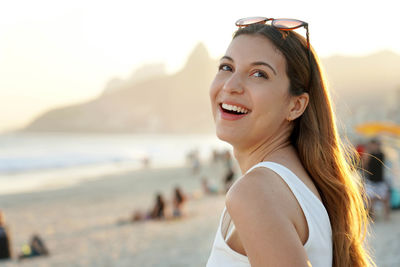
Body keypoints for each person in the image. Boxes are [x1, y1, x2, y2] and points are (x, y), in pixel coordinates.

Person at [206, 17, 374, 267]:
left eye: (259, 74)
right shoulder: (297, 181)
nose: (231, 86)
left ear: (296, 106)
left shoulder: (254, 193)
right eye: (227, 67)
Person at [363, 138, 390, 220]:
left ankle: (386, 216)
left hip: (380, 180)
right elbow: (364, 165)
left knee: (385, 199)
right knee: (371, 200)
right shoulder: (368, 154)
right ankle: (373, 217)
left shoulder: (381, 154)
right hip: (371, 181)